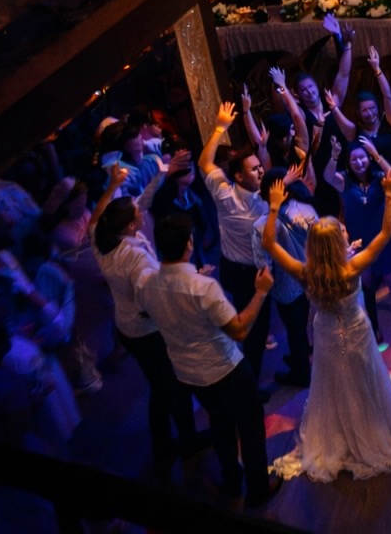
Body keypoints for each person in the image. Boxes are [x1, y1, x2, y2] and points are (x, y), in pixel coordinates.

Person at [261, 167, 391, 482]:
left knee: (333, 384)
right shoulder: (351, 269)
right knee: (363, 381)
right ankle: (370, 431)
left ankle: (339, 435)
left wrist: (272, 206)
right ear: (339, 244)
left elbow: (269, 243)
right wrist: (390, 195)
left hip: (324, 334)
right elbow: (386, 235)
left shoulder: (305, 271)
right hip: (356, 331)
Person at [137, 214, 281, 507]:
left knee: (220, 422)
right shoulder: (203, 287)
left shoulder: (146, 282)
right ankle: (257, 487)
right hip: (224, 367)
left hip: (188, 371)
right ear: (189, 243)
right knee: (251, 423)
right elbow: (239, 328)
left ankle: (231, 481)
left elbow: (146, 314)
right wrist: (261, 291)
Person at [92, 195, 203, 463]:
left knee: (159, 385)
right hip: (149, 332)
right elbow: (148, 299)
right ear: (131, 226)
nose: (142, 212)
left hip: (127, 328)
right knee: (175, 385)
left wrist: (114, 185)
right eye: (137, 211)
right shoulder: (134, 257)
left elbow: (95, 217)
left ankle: (163, 444)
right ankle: (186, 443)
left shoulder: (102, 241)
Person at [197, 101, 273, 382]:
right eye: (254, 169)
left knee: (256, 323)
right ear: (238, 175)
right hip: (241, 272)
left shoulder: (266, 195)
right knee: (253, 329)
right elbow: (205, 163)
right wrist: (219, 128)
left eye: (259, 167)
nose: (261, 171)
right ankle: (250, 381)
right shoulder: (226, 196)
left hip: (252, 268)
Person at [322, 137, 391, 343]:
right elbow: (327, 177)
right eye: (354, 160)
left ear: (368, 159)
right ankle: (374, 327)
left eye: (362, 158)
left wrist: (376, 155)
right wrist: (334, 155)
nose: (359, 163)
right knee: (367, 282)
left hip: (384, 236)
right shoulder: (344, 180)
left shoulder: (380, 177)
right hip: (360, 240)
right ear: (348, 163)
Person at [254, 164, 318, 387]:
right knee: (302, 325)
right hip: (309, 278)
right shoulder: (307, 210)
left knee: (294, 330)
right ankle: (302, 358)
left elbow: (262, 262)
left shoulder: (262, 226)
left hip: (285, 285)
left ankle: (301, 373)